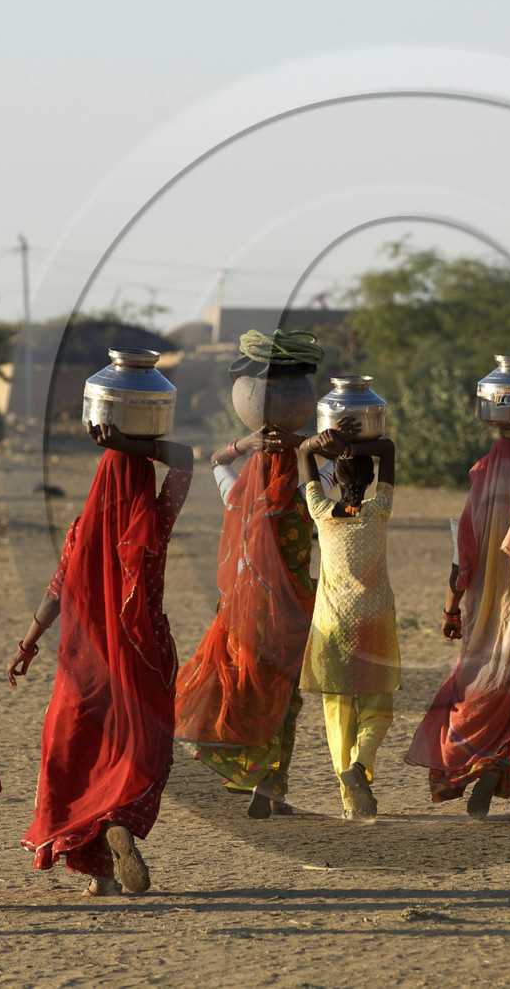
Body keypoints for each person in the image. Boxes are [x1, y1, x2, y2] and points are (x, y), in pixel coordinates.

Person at [7, 423, 194, 896]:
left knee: (79, 758)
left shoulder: (81, 529)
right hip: (143, 663)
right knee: (136, 756)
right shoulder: (155, 518)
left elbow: (56, 591)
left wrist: (28, 644)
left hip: (84, 671)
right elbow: (187, 458)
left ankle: (103, 873)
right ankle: (120, 826)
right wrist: (140, 446)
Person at [173, 333, 349, 817]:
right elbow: (338, 470)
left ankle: (251, 774)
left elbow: (216, 462)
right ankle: (271, 786)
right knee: (284, 696)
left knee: (244, 686)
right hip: (294, 607)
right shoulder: (308, 489)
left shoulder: (239, 493)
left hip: (241, 606)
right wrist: (310, 444)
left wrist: (245, 443)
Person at [406, 430, 510, 819]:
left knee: (477, 690)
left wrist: (451, 612)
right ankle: (501, 769)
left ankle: (479, 765)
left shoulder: (476, 506)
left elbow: (460, 565)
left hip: (486, 624)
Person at [296, 429, 398, 820]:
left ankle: (351, 801)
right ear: (371, 479)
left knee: (338, 715)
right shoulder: (379, 509)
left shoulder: (320, 511)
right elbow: (387, 447)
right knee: (378, 711)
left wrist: (324, 441)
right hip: (373, 625)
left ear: (334, 479)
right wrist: (356, 446)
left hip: (333, 626)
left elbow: (304, 450)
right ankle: (362, 765)